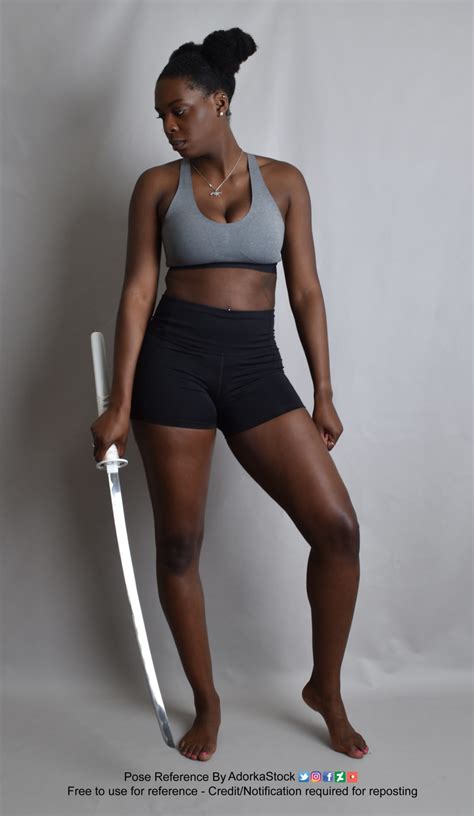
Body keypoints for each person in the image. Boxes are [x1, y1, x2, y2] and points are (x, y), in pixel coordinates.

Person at [90, 27, 369, 763]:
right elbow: (137, 292)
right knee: (180, 544)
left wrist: (324, 392)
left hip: (255, 369)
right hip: (173, 366)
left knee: (337, 530)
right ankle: (208, 702)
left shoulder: (285, 182)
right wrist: (119, 403)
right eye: (161, 116)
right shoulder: (157, 187)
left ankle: (326, 689)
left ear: (219, 102)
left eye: (179, 110)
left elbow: (305, 291)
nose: (169, 126)